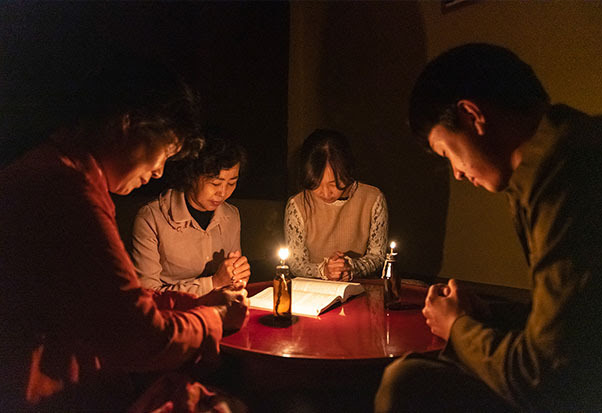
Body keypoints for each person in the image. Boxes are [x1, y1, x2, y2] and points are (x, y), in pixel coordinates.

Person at [375, 43, 602, 412]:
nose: (456, 172)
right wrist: (485, 317)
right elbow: (577, 325)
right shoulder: (556, 156)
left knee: (407, 382)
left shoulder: (565, 173)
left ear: (473, 115)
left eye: (448, 153)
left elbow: (546, 372)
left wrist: (458, 328)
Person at [0, 54, 249, 412]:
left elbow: (113, 301)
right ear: (128, 124)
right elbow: (138, 337)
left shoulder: (66, 174)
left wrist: (196, 305)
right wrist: (214, 318)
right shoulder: (67, 190)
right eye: (163, 152)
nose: (161, 171)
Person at [131, 136, 251, 296]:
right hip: (170, 315)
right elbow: (148, 295)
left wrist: (236, 277)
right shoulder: (152, 217)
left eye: (231, 183)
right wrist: (214, 283)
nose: (222, 193)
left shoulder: (231, 215)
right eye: (215, 183)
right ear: (192, 177)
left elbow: (230, 282)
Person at [285, 129, 388, 280]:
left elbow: (378, 256)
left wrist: (350, 268)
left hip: (358, 288)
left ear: (347, 171)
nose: (326, 193)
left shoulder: (373, 199)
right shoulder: (298, 204)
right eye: (317, 185)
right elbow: (296, 262)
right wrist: (324, 271)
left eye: (333, 184)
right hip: (314, 291)